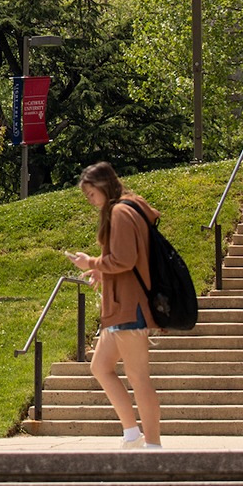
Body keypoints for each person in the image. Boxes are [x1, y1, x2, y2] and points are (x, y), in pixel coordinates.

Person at [67, 161, 163, 449]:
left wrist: (92, 262)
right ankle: (132, 434)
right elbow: (123, 258)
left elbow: (125, 259)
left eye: (91, 194)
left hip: (129, 306)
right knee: (101, 366)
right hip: (121, 305)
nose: (90, 200)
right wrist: (101, 270)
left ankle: (154, 445)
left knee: (138, 377)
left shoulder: (121, 211)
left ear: (103, 186)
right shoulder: (126, 208)